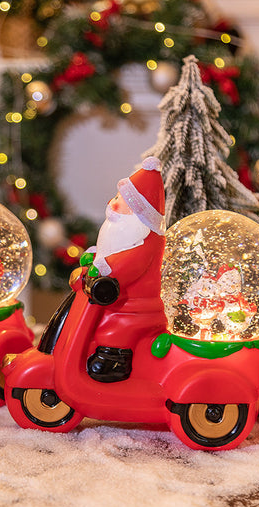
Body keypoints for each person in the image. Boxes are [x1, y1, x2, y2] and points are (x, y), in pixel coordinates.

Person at [76, 157, 168, 382]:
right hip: (118, 301)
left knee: (114, 329)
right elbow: (112, 251)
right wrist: (96, 256)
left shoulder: (146, 240)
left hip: (136, 305)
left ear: (140, 215)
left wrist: (106, 268)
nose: (113, 204)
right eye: (117, 197)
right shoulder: (126, 232)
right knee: (95, 324)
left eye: (123, 204)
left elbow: (128, 265)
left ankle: (114, 363)